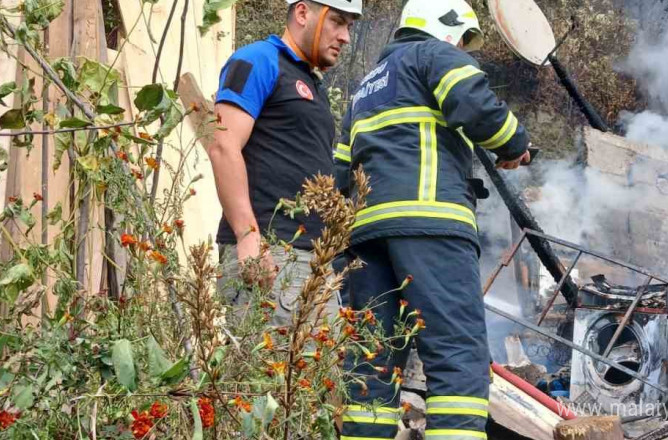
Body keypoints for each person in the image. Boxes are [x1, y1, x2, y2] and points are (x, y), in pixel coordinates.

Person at [334, 0, 532, 438]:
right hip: (430, 225)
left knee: (372, 359)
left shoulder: (366, 87)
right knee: (456, 354)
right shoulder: (434, 54)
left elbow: (339, 169)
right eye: (462, 41)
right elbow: (476, 105)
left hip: (365, 237)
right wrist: (514, 144)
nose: (464, 49)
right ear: (447, 30)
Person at [211, 0, 361, 327]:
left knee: (320, 377)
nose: (345, 36)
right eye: (337, 21)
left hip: (311, 262)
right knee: (267, 375)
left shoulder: (311, 84)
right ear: (303, 13)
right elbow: (223, 145)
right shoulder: (257, 60)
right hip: (271, 254)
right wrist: (248, 234)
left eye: (349, 26)